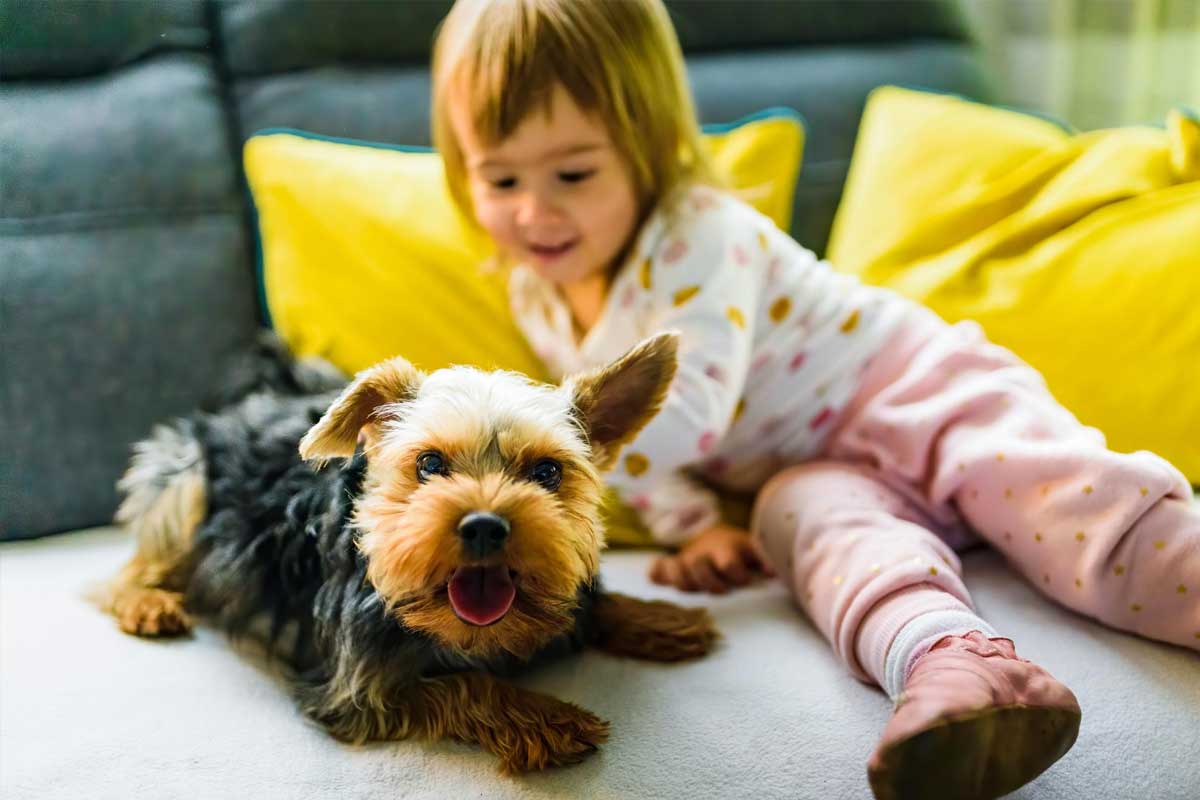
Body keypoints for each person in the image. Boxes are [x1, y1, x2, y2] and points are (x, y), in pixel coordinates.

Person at [430, 0, 1199, 795]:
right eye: (501, 178)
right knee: (829, 547)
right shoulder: (537, 298)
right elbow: (630, 443)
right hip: (811, 467)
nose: (534, 210)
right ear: (462, 171)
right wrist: (691, 526)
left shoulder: (700, 232)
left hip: (914, 394)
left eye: (574, 174)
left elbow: (677, 416)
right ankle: (954, 668)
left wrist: (542, 476)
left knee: (1075, 513)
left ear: (647, 150)